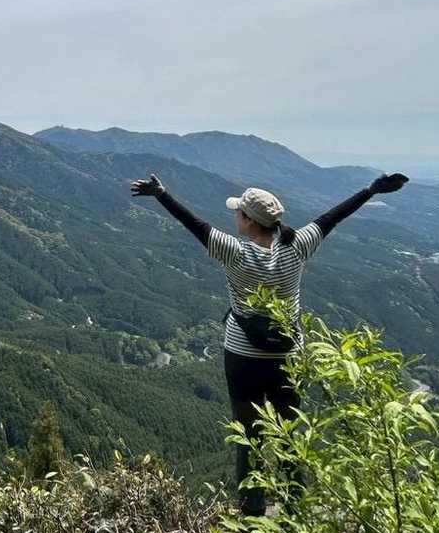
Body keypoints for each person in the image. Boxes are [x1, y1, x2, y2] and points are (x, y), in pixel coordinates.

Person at [129, 169, 409, 515]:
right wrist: (371, 190)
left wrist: (162, 194)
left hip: (243, 357)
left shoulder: (235, 252)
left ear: (249, 221)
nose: (235, 216)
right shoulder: (298, 245)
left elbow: (195, 225)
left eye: (238, 212)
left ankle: (252, 514)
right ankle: (295, 512)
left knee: (249, 437)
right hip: (288, 356)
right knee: (289, 435)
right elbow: (332, 217)